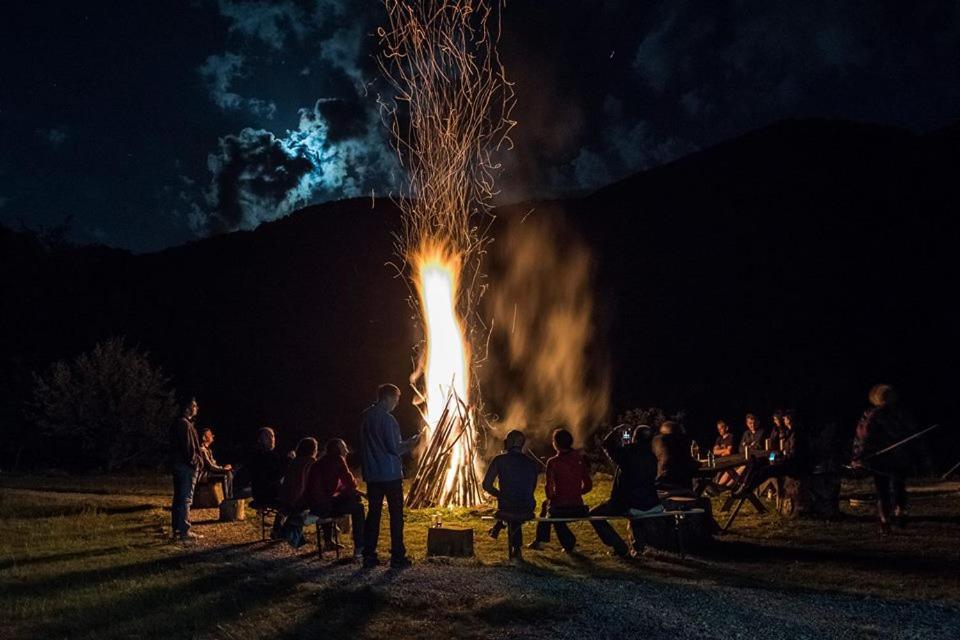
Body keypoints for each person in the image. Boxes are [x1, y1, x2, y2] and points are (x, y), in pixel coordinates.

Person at [360, 383, 423, 569]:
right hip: (389, 475)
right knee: (396, 516)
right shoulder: (388, 420)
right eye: (396, 399)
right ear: (388, 397)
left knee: (373, 515)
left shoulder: (365, 417)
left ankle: (369, 555)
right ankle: (397, 556)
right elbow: (394, 448)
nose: (397, 403)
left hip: (372, 475)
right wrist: (412, 442)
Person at [590, 425, 661, 557]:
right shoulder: (652, 457)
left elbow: (607, 444)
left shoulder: (628, 453)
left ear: (634, 438)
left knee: (594, 514)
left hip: (629, 502)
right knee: (636, 515)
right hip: (651, 502)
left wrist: (616, 429)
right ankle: (638, 548)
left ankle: (620, 547)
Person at [852, 384, 914, 534]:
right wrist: (859, 456)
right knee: (886, 489)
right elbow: (863, 436)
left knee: (894, 487)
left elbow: (909, 431)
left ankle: (896, 515)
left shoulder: (897, 414)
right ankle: (888, 519)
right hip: (882, 459)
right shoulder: (874, 415)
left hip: (896, 457)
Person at [529, 429, 592, 553]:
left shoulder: (553, 462)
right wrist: (576, 493)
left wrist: (556, 497)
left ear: (555, 444)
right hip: (579, 507)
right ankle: (555, 541)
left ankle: (543, 541)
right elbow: (588, 485)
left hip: (561, 508)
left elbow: (549, 492)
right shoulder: (580, 459)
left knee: (550, 510)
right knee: (549, 509)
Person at [482, 429, 540, 560]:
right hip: (528, 506)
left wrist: (500, 495)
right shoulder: (531, 463)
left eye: (507, 440)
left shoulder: (499, 460)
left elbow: (486, 485)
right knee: (515, 507)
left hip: (508, 506)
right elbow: (532, 487)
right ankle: (513, 545)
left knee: (511, 509)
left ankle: (515, 547)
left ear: (511, 442)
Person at [307, 438, 365, 558]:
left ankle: (329, 541)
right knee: (358, 507)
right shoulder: (338, 460)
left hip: (314, 505)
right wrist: (354, 488)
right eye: (344, 447)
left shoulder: (321, 461)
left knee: (346, 498)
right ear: (337, 449)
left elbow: (327, 487)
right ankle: (360, 547)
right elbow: (351, 483)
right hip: (323, 508)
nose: (347, 450)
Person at [169, 397, 203, 541]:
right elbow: (188, 448)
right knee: (185, 498)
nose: (197, 408)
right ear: (188, 408)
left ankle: (177, 528)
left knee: (179, 497)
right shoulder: (184, 424)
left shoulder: (180, 423)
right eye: (194, 406)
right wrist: (196, 462)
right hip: (185, 466)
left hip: (179, 464)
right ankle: (184, 530)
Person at [651, 421, 699, 493]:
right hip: (681, 487)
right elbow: (691, 464)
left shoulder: (655, 442)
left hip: (660, 486)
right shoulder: (681, 442)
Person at [198, 427, 233, 499]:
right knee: (225, 475)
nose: (212, 435)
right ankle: (228, 498)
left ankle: (229, 497)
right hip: (204, 475)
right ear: (204, 438)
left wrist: (223, 468)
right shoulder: (202, 450)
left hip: (210, 472)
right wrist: (223, 469)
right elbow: (210, 466)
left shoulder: (208, 450)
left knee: (229, 472)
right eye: (210, 434)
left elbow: (213, 464)